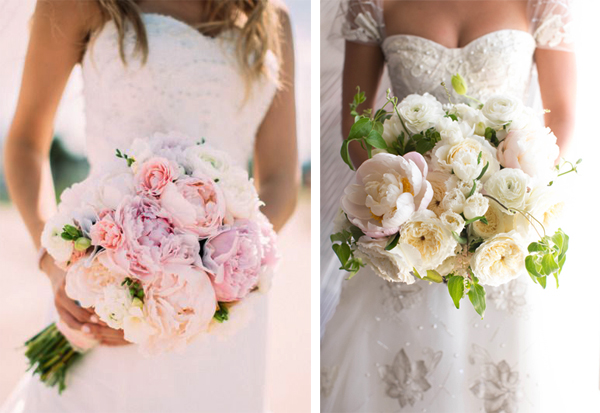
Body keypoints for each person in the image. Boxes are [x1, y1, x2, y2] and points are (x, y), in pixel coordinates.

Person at [2, 0, 298, 411]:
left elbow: (282, 178)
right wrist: (55, 265)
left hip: (223, 311)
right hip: (107, 296)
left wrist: (222, 271)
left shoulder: (271, 18)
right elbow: (25, 145)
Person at [320, 1, 575, 411]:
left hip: (503, 224)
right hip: (410, 227)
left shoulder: (541, 6)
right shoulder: (372, 6)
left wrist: (506, 193)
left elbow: (561, 118)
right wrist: (410, 202)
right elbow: (356, 127)